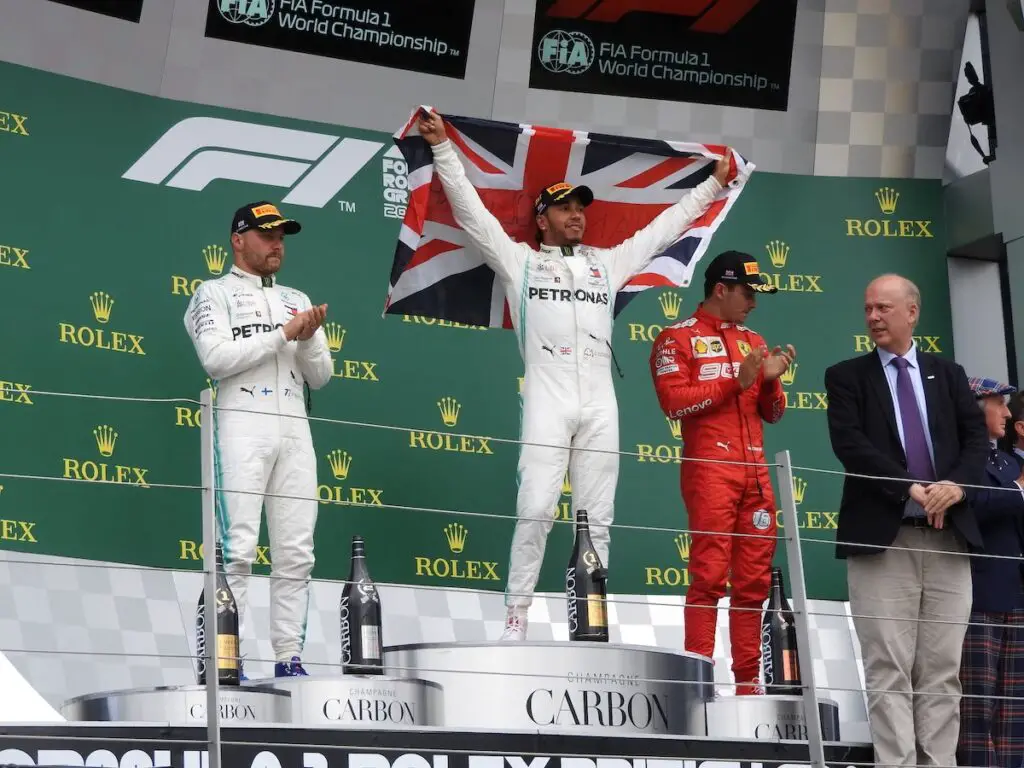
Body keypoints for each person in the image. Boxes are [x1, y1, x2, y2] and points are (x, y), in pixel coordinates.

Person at [415, 110, 734, 641]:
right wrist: (445, 148)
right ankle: (515, 621)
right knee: (536, 508)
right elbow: (471, 213)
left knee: (597, 517)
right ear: (542, 219)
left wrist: (713, 185)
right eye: (564, 208)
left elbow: (664, 229)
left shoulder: (607, 265)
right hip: (548, 394)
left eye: (580, 208)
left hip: (600, 403)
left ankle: (591, 620)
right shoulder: (520, 263)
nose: (576, 216)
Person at [824, 273, 988, 767]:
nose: (873, 317)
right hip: (884, 541)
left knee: (941, 669)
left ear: (912, 313)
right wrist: (907, 486)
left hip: (948, 540)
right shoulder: (846, 376)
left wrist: (956, 486)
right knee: (887, 667)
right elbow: (850, 445)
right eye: (868, 308)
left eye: (884, 308)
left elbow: (977, 441)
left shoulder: (949, 374)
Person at [183, 201, 332, 678]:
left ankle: (289, 659)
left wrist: (306, 337)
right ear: (238, 240)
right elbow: (215, 358)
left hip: (294, 429)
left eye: (282, 237)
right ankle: (225, 662)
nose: (276, 245)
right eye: (267, 235)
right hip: (241, 425)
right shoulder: (213, 293)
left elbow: (322, 377)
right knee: (238, 549)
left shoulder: (296, 297)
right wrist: (282, 334)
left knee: (295, 552)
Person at [648, 250, 794, 695]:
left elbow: (774, 414)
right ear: (720, 290)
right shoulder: (676, 338)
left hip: (756, 475)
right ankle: (699, 682)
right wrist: (738, 380)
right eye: (748, 293)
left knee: (752, 584)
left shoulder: (755, 340)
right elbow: (674, 402)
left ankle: (749, 686)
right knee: (708, 578)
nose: (754, 302)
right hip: (711, 470)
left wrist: (769, 380)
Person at [957, 377, 1024, 768]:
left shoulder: (1009, 461)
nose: (1008, 412)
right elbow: (974, 505)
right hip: (977, 594)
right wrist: (1018, 490)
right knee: (978, 704)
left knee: (1015, 707)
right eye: (999, 404)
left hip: (1014, 592)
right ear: (977, 409)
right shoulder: (960, 459)